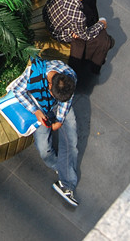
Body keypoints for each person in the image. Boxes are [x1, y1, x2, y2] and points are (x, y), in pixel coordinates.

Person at [11, 57, 80, 207]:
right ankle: (59, 166)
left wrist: (60, 120)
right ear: (49, 87)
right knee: (44, 149)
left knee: (71, 142)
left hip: (57, 107)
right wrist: (35, 111)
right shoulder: (33, 74)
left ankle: (66, 184)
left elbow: (65, 102)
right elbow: (17, 90)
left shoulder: (69, 76)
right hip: (38, 107)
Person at [43, 0, 115, 75]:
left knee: (90, 2)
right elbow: (86, 35)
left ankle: (92, 22)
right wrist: (102, 23)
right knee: (84, 33)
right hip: (59, 34)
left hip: (48, 17)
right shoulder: (78, 17)